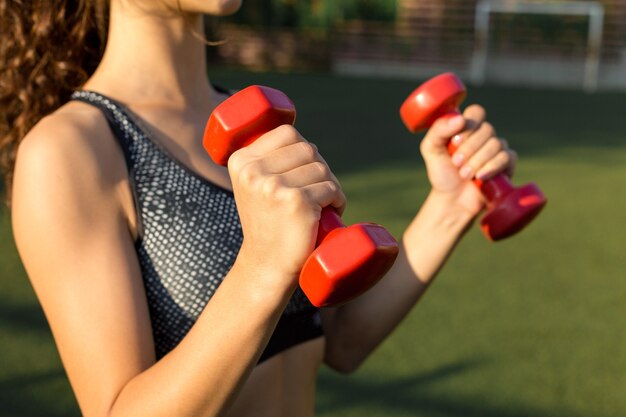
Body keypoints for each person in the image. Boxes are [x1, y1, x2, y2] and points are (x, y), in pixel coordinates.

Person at [1, 1, 517, 416]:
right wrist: (264, 265)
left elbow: (338, 341)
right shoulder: (73, 149)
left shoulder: (260, 125)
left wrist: (450, 206)